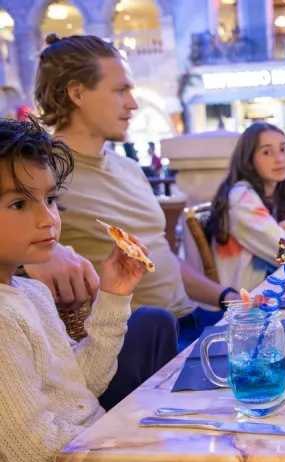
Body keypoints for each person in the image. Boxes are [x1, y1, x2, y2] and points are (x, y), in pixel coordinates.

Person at [0, 119, 277, 462]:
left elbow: (79, 387)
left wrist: (113, 296)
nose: (47, 219)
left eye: (51, 199)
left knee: (151, 322)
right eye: (19, 204)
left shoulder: (29, 292)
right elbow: (33, 455)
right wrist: (132, 439)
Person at [30, 34, 242, 352]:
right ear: (76, 92)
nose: (133, 102)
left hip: (192, 323)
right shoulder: (41, 172)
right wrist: (39, 257)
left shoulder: (127, 166)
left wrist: (226, 296)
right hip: (137, 345)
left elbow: (159, 255)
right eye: (121, 90)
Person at [209, 122, 285, 292]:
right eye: (267, 152)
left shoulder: (283, 194)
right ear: (248, 160)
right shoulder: (241, 198)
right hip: (250, 306)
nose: (280, 159)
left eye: (283, 149)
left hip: (283, 292)